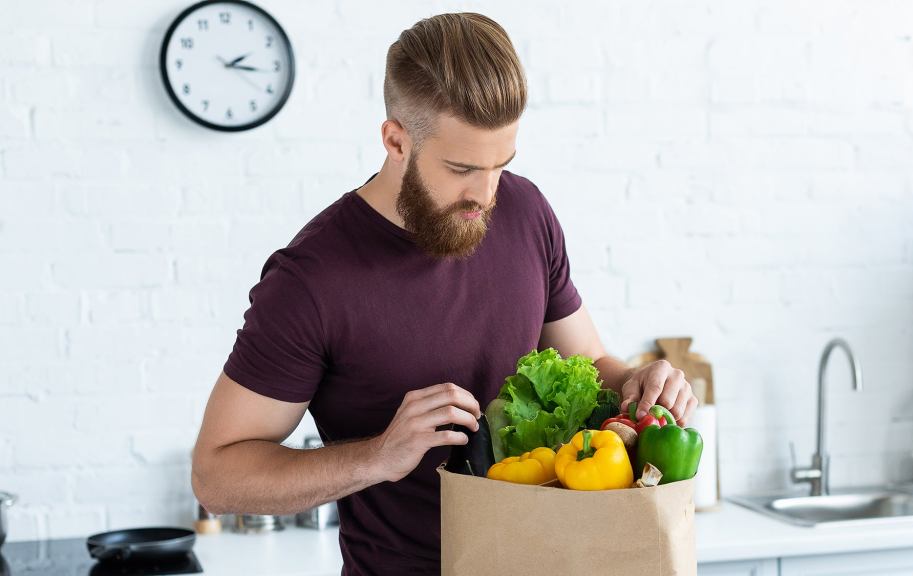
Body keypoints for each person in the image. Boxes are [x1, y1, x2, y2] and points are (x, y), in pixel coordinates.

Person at [191, 12, 697, 575]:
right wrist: (378, 457)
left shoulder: (527, 212)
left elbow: (588, 364)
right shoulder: (311, 279)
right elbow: (218, 476)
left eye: (500, 166)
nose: (485, 195)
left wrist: (636, 382)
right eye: (461, 168)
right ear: (395, 141)